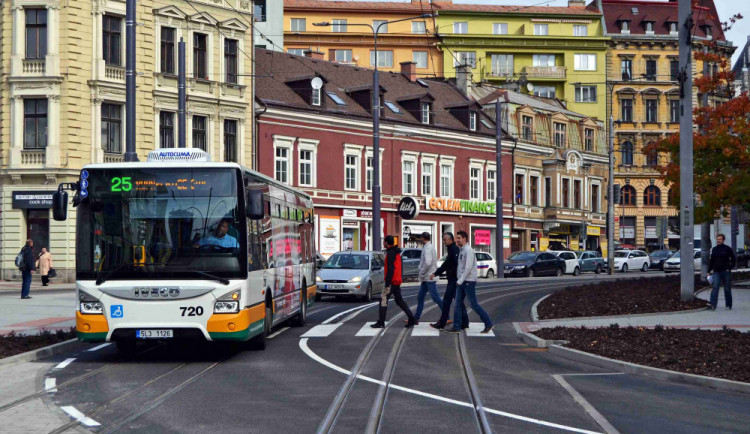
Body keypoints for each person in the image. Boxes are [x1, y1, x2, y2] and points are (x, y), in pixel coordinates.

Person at [443, 231, 493, 334]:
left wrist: (460, 280)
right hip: (462, 281)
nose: (457, 240)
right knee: (457, 304)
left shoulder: (468, 250)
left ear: (465, 238)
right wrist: (459, 279)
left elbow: (468, 267)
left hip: (468, 281)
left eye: (459, 238)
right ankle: (456, 326)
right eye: (457, 238)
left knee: (473, 304)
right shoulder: (462, 250)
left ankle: (488, 323)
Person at [371, 235, 417, 329]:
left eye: (384, 242)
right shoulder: (397, 252)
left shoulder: (391, 253)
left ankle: (381, 322)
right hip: (396, 280)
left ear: (387, 243)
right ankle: (412, 318)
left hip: (391, 281)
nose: (384, 243)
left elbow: (390, 269)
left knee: (383, 300)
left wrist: (387, 283)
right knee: (399, 300)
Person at [430, 232, 466, 330]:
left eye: (445, 239)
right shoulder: (452, 249)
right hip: (454, 279)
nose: (443, 241)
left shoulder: (454, 250)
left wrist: (437, 273)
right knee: (458, 302)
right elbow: (446, 264)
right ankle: (465, 322)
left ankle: (442, 323)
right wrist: (436, 273)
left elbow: (452, 265)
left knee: (446, 301)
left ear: (450, 239)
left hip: (454, 280)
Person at [413, 232, 442, 323]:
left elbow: (428, 262)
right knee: (420, 297)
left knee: (436, 298)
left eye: (420, 238)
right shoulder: (429, 247)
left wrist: (422, 272)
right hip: (427, 278)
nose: (420, 239)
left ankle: (447, 316)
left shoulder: (428, 248)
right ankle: (416, 318)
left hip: (429, 277)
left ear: (423, 238)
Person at [708, 234, 736, 310]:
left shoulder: (727, 249)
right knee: (715, 287)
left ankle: (729, 304)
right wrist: (708, 271)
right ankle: (712, 304)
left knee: (727, 288)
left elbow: (733, 259)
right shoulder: (714, 249)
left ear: (723, 240)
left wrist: (730, 268)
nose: (718, 240)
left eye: (720, 239)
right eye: (717, 239)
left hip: (725, 271)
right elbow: (712, 261)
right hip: (716, 271)